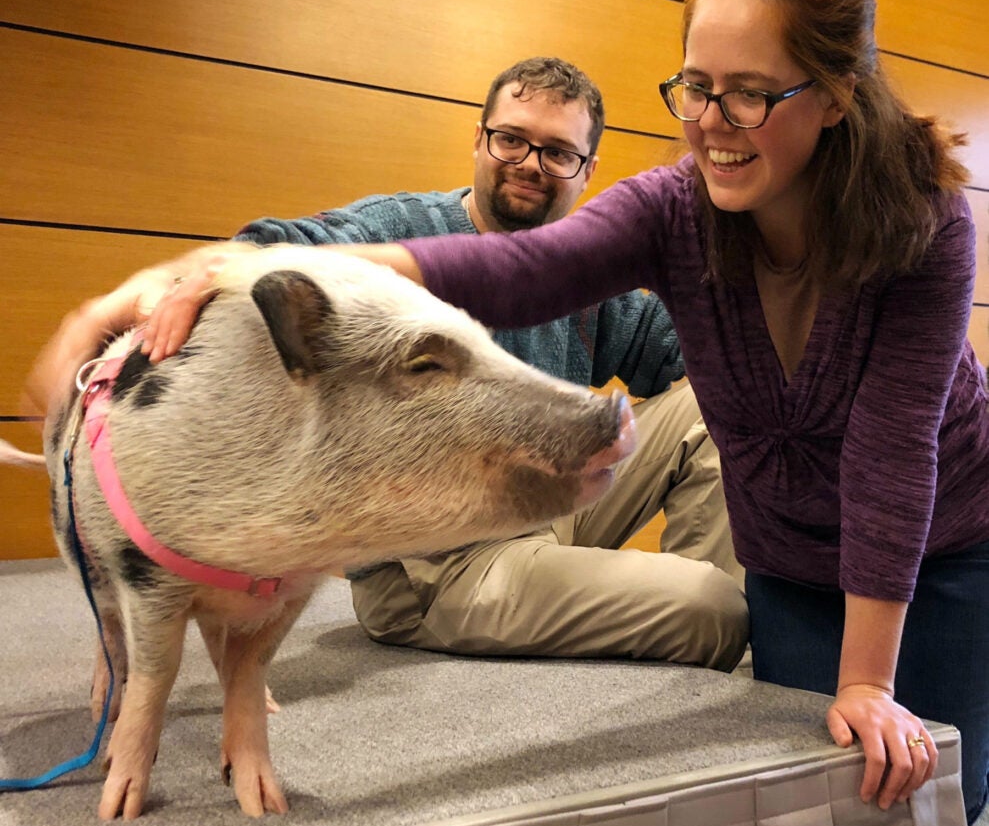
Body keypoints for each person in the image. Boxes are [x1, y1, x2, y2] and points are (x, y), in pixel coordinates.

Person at [135, 0, 989, 822]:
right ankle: (729, 647)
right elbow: (520, 269)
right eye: (695, 86)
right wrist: (245, 266)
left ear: (837, 94)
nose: (708, 120)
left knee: (931, 807)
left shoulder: (923, 225)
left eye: (747, 93)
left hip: (937, 543)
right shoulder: (667, 206)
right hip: (772, 554)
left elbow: (890, 452)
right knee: (818, 810)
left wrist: (864, 681)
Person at [24, 57, 748, 672]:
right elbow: (271, 248)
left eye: (557, 152)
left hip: (543, 507)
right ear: (477, 139)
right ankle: (725, 629)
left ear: (586, 172)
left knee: (720, 410)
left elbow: (687, 357)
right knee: (710, 608)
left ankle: (742, 624)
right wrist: (101, 312)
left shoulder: (586, 279)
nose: (530, 164)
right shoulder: (401, 232)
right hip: (438, 566)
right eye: (510, 140)